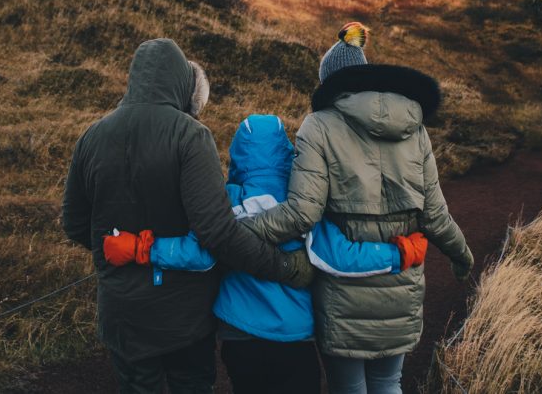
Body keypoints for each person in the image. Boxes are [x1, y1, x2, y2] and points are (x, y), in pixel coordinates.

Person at [106, 113, 430, 393]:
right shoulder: (305, 200)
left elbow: (200, 253)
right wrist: (398, 253)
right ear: (287, 152)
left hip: (239, 334)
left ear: (237, 154)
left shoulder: (224, 199)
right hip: (294, 336)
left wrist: (140, 248)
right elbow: (339, 256)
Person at [61, 39, 315, 394]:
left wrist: (124, 250)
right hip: (184, 315)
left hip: (122, 312)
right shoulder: (190, 136)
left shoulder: (91, 137)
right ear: (180, 82)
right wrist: (283, 267)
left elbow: (74, 224)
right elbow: (218, 233)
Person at [242, 22, 475, 394]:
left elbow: (302, 214)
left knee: (348, 388)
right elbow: (434, 213)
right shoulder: (414, 127)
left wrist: (239, 230)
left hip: (343, 288)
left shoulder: (319, 126)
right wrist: (461, 255)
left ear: (330, 82)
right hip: (401, 285)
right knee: (388, 383)